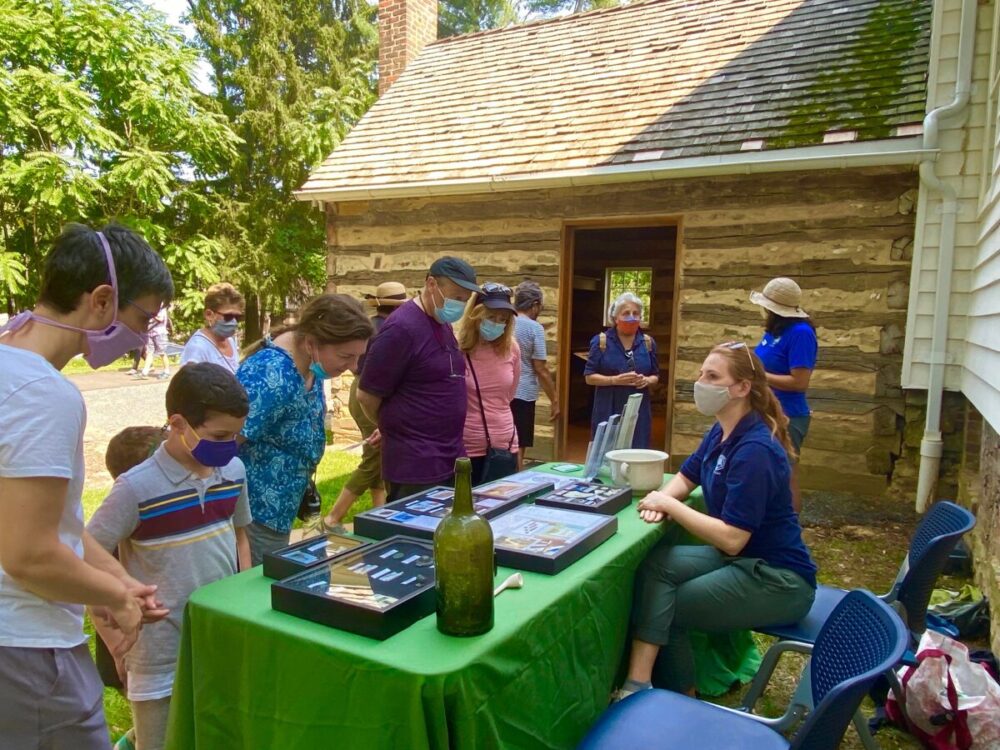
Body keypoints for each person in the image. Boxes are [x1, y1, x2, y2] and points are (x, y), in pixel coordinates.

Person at [0, 223, 173, 748]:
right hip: (27, 650)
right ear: (101, 300)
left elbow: (48, 522)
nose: (143, 336)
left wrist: (111, 580)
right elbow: (29, 554)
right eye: (142, 318)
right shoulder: (43, 394)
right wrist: (114, 598)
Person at [615, 342, 817, 701]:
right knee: (654, 566)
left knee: (670, 606)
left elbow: (732, 538)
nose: (701, 383)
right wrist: (665, 499)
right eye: (701, 374)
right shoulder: (723, 430)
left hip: (778, 578)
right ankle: (639, 681)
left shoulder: (755, 449)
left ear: (741, 388)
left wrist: (670, 506)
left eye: (712, 376)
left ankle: (681, 699)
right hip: (742, 562)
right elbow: (688, 475)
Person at [88, 364, 251, 750]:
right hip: (158, 655)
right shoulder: (136, 488)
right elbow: (86, 552)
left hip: (218, 642)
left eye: (236, 435)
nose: (230, 445)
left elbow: (240, 535)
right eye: (220, 436)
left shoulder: (234, 471)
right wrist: (114, 640)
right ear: (178, 424)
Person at [238, 294, 373, 564]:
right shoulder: (271, 374)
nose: (353, 367)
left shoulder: (311, 365)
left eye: (358, 357)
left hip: (280, 508)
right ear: (312, 343)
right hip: (255, 513)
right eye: (346, 356)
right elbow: (225, 443)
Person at [357, 257, 479, 501]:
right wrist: (391, 427)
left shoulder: (441, 323)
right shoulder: (401, 329)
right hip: (416, 465)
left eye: (465, 300)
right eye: (456, 296)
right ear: (432, 284)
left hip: (449, 457)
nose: (461, 304)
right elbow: (367, 395)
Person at [319, 282, 407, 532]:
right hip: (369, 398)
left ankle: (380, 513)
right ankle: (333, 518)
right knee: (374, 457)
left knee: (378, 458)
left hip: (361, 393)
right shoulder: (387, 330)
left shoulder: (376, 326)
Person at [750, 277, 818, 513]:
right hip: (766, 409)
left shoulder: (801, 333)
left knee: (786, 473)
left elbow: (799, 382)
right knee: (765, 470)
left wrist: (758, 376)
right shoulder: (775, 330)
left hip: (788, 415)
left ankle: (790, 529)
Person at [458, 283, 521, 485]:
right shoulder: (459, 349)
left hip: (505, 441)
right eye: (491, 317)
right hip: (468, 444)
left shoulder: (512, 348)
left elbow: (510, 394)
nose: (497, 324)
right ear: (476, 315)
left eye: (503, 320)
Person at [584, 292, 659, 449]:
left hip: (638, 410)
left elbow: (655, 376)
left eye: (636, 313)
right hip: (608, 407)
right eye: (626, 313)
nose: (631, 317)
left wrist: (647, 380)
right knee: (606, 453)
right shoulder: (601, 342)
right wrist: (614, 380)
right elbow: (589, 377)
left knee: (637, 453)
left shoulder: (648, 343)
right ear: (615, 317)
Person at [511, 281, 559, 467]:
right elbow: (540, 368)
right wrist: (554, 399)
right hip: (523, 392)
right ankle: (515, 482)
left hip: (503, 389)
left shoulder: (506, 321)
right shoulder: (534, 328)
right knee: (519, 444)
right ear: (535, 304)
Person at [180, 282, 245, 373]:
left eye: (238, 317)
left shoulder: (229, 340)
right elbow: (189, 384)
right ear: (209, 315)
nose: (234, 322)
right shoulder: (197, 348)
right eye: (228, 316)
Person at [136, 304, 172, 380]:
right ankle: (144, 372)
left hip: (159, 333)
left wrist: (150, 315)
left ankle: (166, 371)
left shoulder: (161, 308)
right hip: (149, 333)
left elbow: (160, 319)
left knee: (162, 353)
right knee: (149, 352)